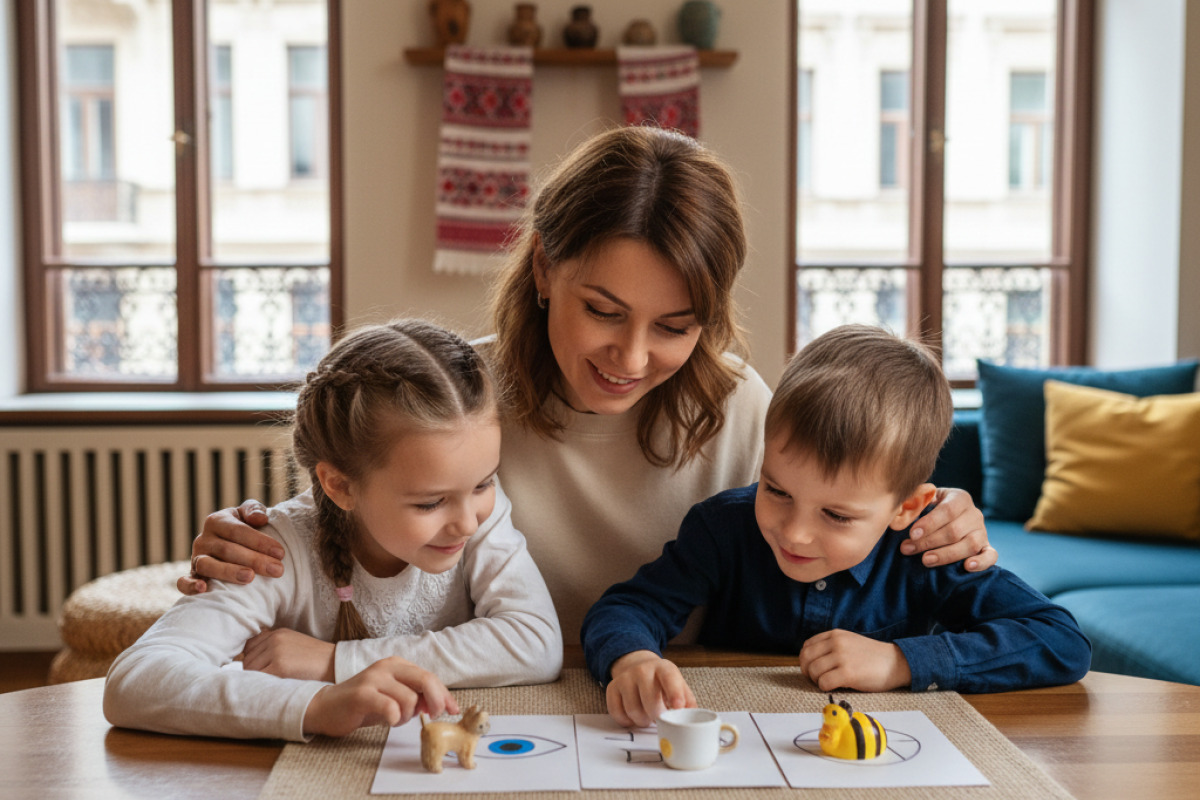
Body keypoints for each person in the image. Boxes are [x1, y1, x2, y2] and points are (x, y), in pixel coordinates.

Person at [176, 126, 997, 640]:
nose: (632, 358)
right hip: (475, 703)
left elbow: (842, 525)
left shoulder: (750, 413)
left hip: (675, 715)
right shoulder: (457, 401)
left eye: (675, 328)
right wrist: (263, 542)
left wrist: (933, 525)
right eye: (603, 310)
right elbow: (345, 530)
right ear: (543, 267)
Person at [582, 325, 1091, 728]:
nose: (795, 533)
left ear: (906, 508)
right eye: (776, 490)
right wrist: (631, 659)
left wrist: (901, 662)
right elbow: (629, 606)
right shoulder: (723, 528)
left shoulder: (926, 549)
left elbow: (1061, 641)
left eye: (837, 515)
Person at [104, 320, 562, 741]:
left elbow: (536, 644)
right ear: (340, 485)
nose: (467, 521)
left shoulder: (479, 514)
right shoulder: (272, 551)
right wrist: (318, 705)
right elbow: (135, 681)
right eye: (429, 502)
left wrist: (334, 663)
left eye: (484, 482)